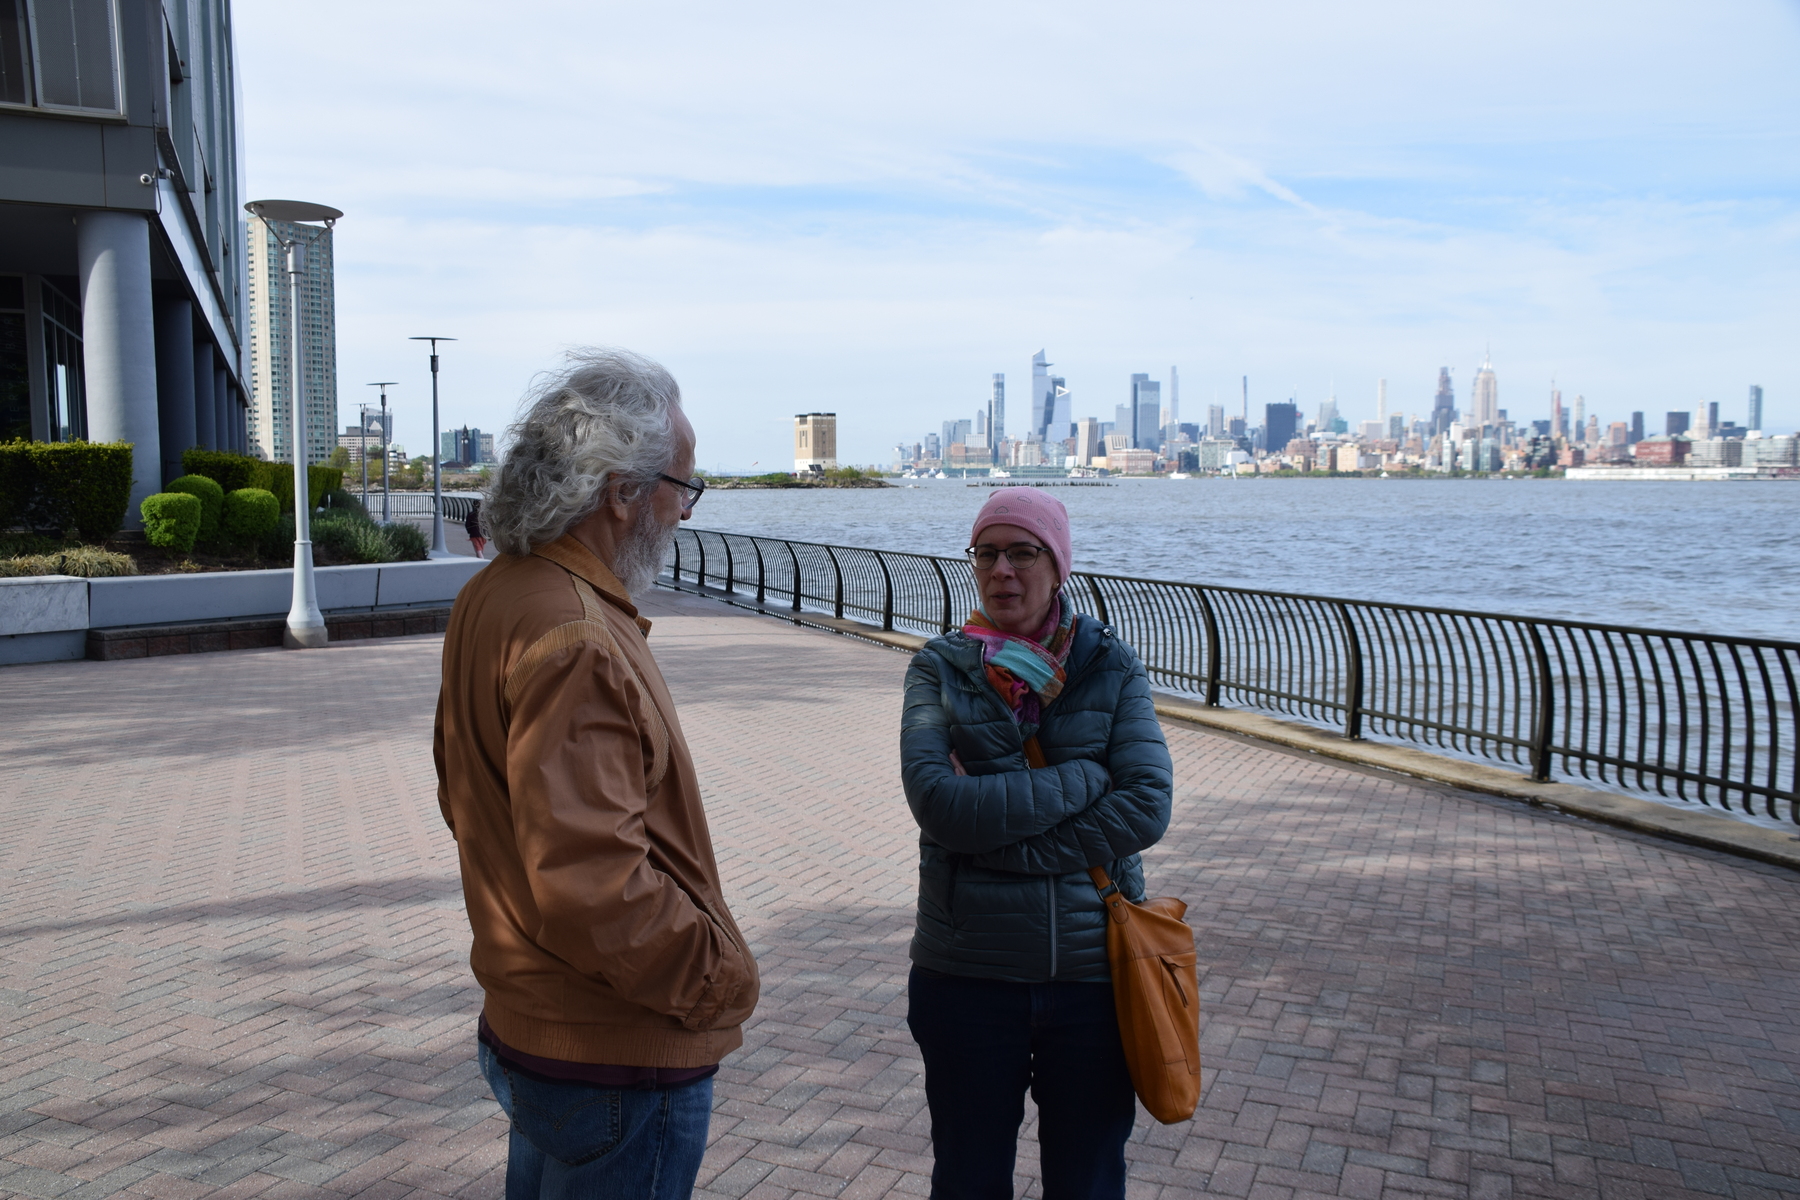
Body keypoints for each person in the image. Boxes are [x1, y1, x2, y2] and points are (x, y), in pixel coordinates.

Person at [435, 347, 758, 1199]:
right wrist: (721, 979)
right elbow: (595, 885)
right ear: (621, 493)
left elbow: (461, 796)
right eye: (682, 487)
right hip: (613, 1054)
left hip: (539, 1024)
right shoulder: (576, 635)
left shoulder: (498, 592)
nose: (684, 510)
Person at [900, 487, 1174, 1200]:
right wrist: (1087, 778)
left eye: (1023, 553)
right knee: (968, 1180)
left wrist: (1000, 844)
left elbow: (1146, 806)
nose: (1002, 571)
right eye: (987, 554)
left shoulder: (1111, 666)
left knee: (1088, 1182)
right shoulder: (939, 668)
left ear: (1058, 566)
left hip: (1094, 980)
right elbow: (940, 805)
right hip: (967, 975)